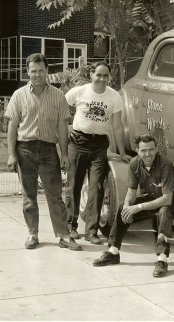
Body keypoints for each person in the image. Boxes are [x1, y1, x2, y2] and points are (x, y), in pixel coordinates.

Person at [5, 53, 81, 251]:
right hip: (25, 150)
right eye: (33, 71)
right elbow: (12, 126)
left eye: (41, 70)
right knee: (29, 196)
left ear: (47, 71)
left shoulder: (58, 96)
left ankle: (64, 235)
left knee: (55, 195)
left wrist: (64, 154)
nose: (37, 74)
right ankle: (32, 234)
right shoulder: (18, 95)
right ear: (27, 73)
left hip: (48, 150)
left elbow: (62, 128)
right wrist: (12, 154)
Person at [92, 134, 174, 278]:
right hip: (151, 198)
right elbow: (131, 192)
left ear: (156, 149)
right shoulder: (134, 163)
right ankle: (113, 251)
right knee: (122, 208)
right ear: (137, 150)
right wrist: (127, 207)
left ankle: (162, 259)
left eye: (151, 149)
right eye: (143, 150)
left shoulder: (165, 165)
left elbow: (167, 199)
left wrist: (138, 208)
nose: (148, 154)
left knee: (164, 212)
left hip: (170, 202)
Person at [64, 61, 131, 245]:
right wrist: (67, 126)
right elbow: (60, 106)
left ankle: (91, 232)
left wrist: (122, 151)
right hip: (78, 143)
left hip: (100, 146)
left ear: (109, 77)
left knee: (96, 188)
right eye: (98, 75)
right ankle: (70, 227)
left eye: (105, 76)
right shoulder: (80, 91)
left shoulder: (114, 96)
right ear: (92, 74)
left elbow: (117, 126)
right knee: (73, 186)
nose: (102, 79)